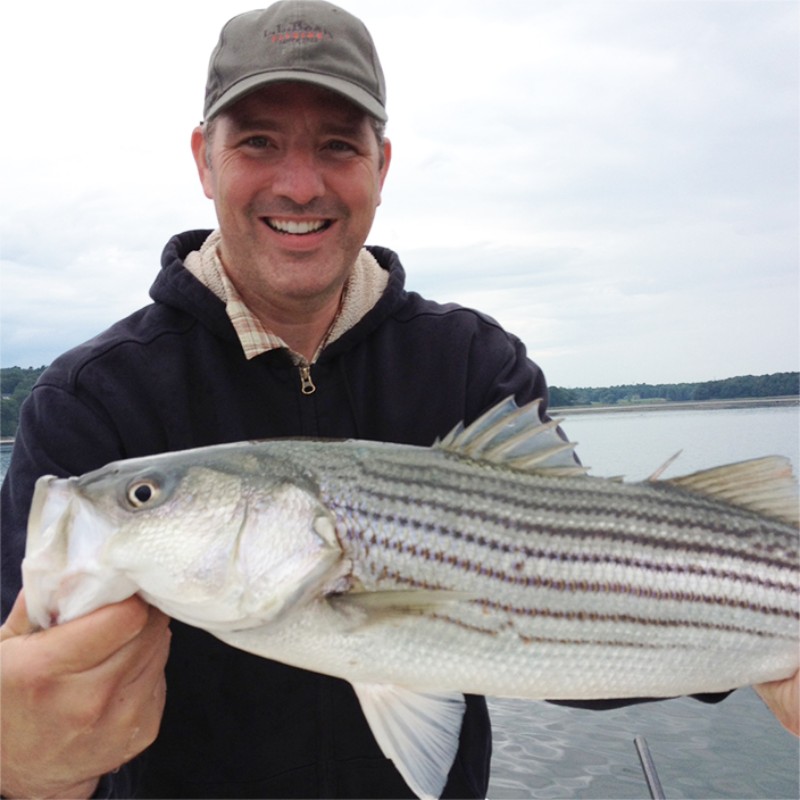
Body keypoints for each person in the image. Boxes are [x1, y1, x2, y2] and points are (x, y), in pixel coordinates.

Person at [1, 2, 797, 798]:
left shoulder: (473, 363)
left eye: (338, 146)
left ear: (381, 165)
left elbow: (568, 600)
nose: (300, 183)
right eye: (257, 142)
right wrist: (24, 768)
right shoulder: (89, 402)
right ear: (204, 161)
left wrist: (755, 643)